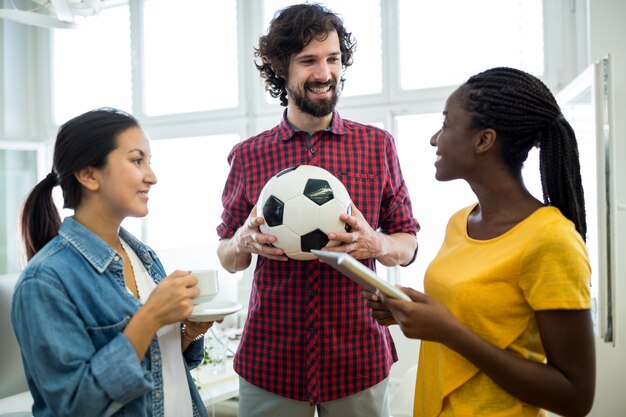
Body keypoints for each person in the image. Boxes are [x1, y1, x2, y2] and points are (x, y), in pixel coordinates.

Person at [216, 4, 419, 417]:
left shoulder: (376, 147)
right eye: (309, 61)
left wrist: (374, 242)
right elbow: (227, 256)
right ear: (281, 68)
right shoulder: (248, 155)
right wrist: (242, 240)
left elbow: (408, 243)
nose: (325, 73)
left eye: (333, 59)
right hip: (270, 362)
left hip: (358, 361)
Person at [365, 67, 596, 417]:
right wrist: (410, 312)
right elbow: (478, 315)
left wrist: (447, 331)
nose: (434, 139)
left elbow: (575, 397)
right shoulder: (460, 222)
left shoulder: (551, 240)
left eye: (445, 124)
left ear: (484, 140)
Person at [11, 108, 214, 417]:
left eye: (149, 161)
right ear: (89, 174)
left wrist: (187, 333)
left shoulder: (143, 256)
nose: (152, 177)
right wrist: (150, 317)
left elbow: (158, 369)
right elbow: (74, 406)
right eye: (137, 160)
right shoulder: (44, 282)